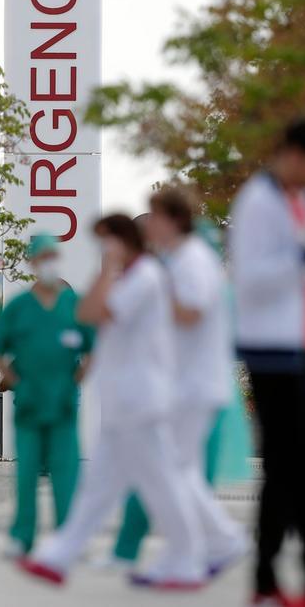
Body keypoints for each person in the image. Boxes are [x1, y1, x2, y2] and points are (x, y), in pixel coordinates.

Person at [18, 214, 205, 590]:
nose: (101, 250)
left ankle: (194, 554)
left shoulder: (146, 277)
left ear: (124, 241)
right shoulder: (128, 278)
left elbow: (90, 312)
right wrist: (107, 271)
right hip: (124, 400)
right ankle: (61, 554)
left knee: (162, 482)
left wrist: (107, 271)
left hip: (142, 399)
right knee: (101, 484)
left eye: (106, 241)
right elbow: (88, 312)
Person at [229, 115, 305, 606]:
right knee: (285, 467)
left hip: (298, 344)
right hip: (267, 350)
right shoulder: (259, 202)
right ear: (298, 154)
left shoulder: (303, 200)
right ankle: (268, 579)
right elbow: (252, 277)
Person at [111, 187, 249, 585]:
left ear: (172, 219)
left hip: (194, 386)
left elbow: (191, 311)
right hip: (186, 385)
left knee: (168, 471)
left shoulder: (191, 260)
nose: (148, 224)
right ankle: (208, 545)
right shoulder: (180, 259)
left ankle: (197, 552)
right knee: (176, 472)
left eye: (153, 216)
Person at [0, 234, 93, 560]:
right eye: (41, 256)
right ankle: (22, 536)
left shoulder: (73, 305)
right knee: (27, 472)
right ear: (33, 262)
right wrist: (13, 376)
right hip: (30, 403)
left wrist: (79, 375)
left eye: (51, 255)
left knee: (66, 472)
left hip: (62, 403)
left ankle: (69, 538)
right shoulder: (20, 308)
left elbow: (95, 346)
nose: (47, 261)